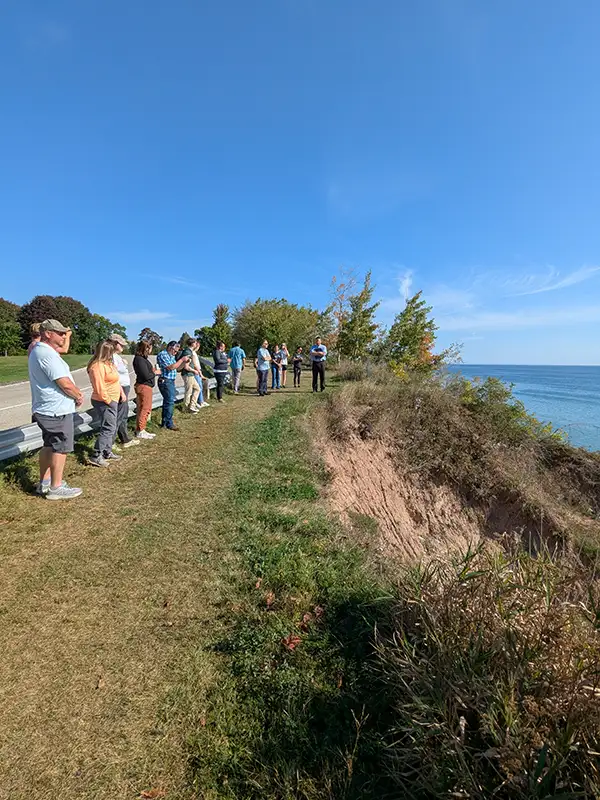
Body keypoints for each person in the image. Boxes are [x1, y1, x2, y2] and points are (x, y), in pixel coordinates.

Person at [28, 319, 84, 499]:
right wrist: (78, 395)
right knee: (61, 447)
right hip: (56, 410)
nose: (63, 336)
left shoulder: (41, 350)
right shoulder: (46, 354)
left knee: (49, 445)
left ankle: (45, 482)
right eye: (59, 333)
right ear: (47, 333)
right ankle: (55, 487)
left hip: (48, 408)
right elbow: (64, 383)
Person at [87, 340, 124, 467]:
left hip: (112, 399)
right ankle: (96, 455)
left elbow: (116, 380)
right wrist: (109, 401)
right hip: (104, 401)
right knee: (108, 427)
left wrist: (121, 394)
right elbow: (99, 387)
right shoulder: (97, 366)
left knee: (111, 427)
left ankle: (107, 451)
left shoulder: (108, 364)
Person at [109, 333, 139, 449]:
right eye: (121, 345)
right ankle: (110, 443)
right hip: (119, 388)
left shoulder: (117, 356)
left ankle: (124, 438)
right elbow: (114, 375)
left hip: (123, 387)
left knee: (123, 414)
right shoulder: (111, 357)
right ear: (115, 343)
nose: (123, 347)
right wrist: (121, 392)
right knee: (119, 416)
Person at [156, 341, 189, 430]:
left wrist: (184, 363)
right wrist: (181, 359)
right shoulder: (163, 355)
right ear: (170, 347)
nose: (176, 352)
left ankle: (165, 423)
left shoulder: (171, 356)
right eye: (175, 350)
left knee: (168, 402)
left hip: (170, 381)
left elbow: (177, 369)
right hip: (165, 380)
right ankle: (168, 423)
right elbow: (170, 367)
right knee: (170, 402)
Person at [133, 340, 159, 439]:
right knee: (145, 408)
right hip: (144, 386)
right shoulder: (139, 359)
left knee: (142, 408)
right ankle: (140, 430)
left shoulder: (142, 359)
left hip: (145, 386)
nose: (151, 350)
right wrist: (155, 372)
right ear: (146, 348)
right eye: (150, 348)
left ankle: (140, 429)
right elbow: (145, 375)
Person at [180, 337, 201, 413]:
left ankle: (192, 405)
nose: (196, 344)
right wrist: (194, 371)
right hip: (188, 374)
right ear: (192, 344)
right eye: (195, 343)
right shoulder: (187, 352)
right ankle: (185, 408)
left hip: (190, 374)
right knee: (188, 392)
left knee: (197, 389)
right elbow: (186, 367)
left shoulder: (190, 351)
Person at [191, 339, 210, 407]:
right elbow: (195, 365)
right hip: (196, 372)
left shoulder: (195, 353)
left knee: (200, 387)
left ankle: (201, 401)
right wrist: (200, 374)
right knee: (198, 387)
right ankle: (200, 402)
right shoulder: (192, 353)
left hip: (198, 371)